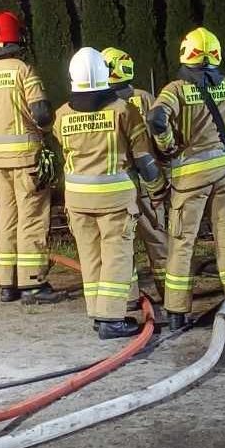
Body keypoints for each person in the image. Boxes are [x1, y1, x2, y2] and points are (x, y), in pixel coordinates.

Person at [148, 27, 225, 330]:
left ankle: (177, 313)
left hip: (189, 178)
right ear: (217, 55)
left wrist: (168, 147)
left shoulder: (176, 90)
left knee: (182, 242)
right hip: (224, 172)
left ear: (185, 54)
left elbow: (155, 119)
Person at [53, 48, 160, 339]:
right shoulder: (124, 111)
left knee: (90, 257)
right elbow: (144, 159)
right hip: (114, 200)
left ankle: (98, 314)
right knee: (116, 256)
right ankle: (112, 319)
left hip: (76, 200)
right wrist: (158, 187)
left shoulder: (61, 115)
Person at [0, 11, 62, 304]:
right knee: (32, 219)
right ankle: (32, 283)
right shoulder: (24, 70)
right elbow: (41, 113)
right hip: (28, 159)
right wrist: (45, 131)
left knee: (6, 219)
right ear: (17, 35)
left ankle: (7, 283)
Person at [101, 46, 168, 300]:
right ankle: (172, 296)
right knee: (158, 238)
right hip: (149, 181)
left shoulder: (99, 104)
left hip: (118, 185)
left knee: (120, 245)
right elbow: (159, 139)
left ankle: (128, 300)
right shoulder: (145, 98)